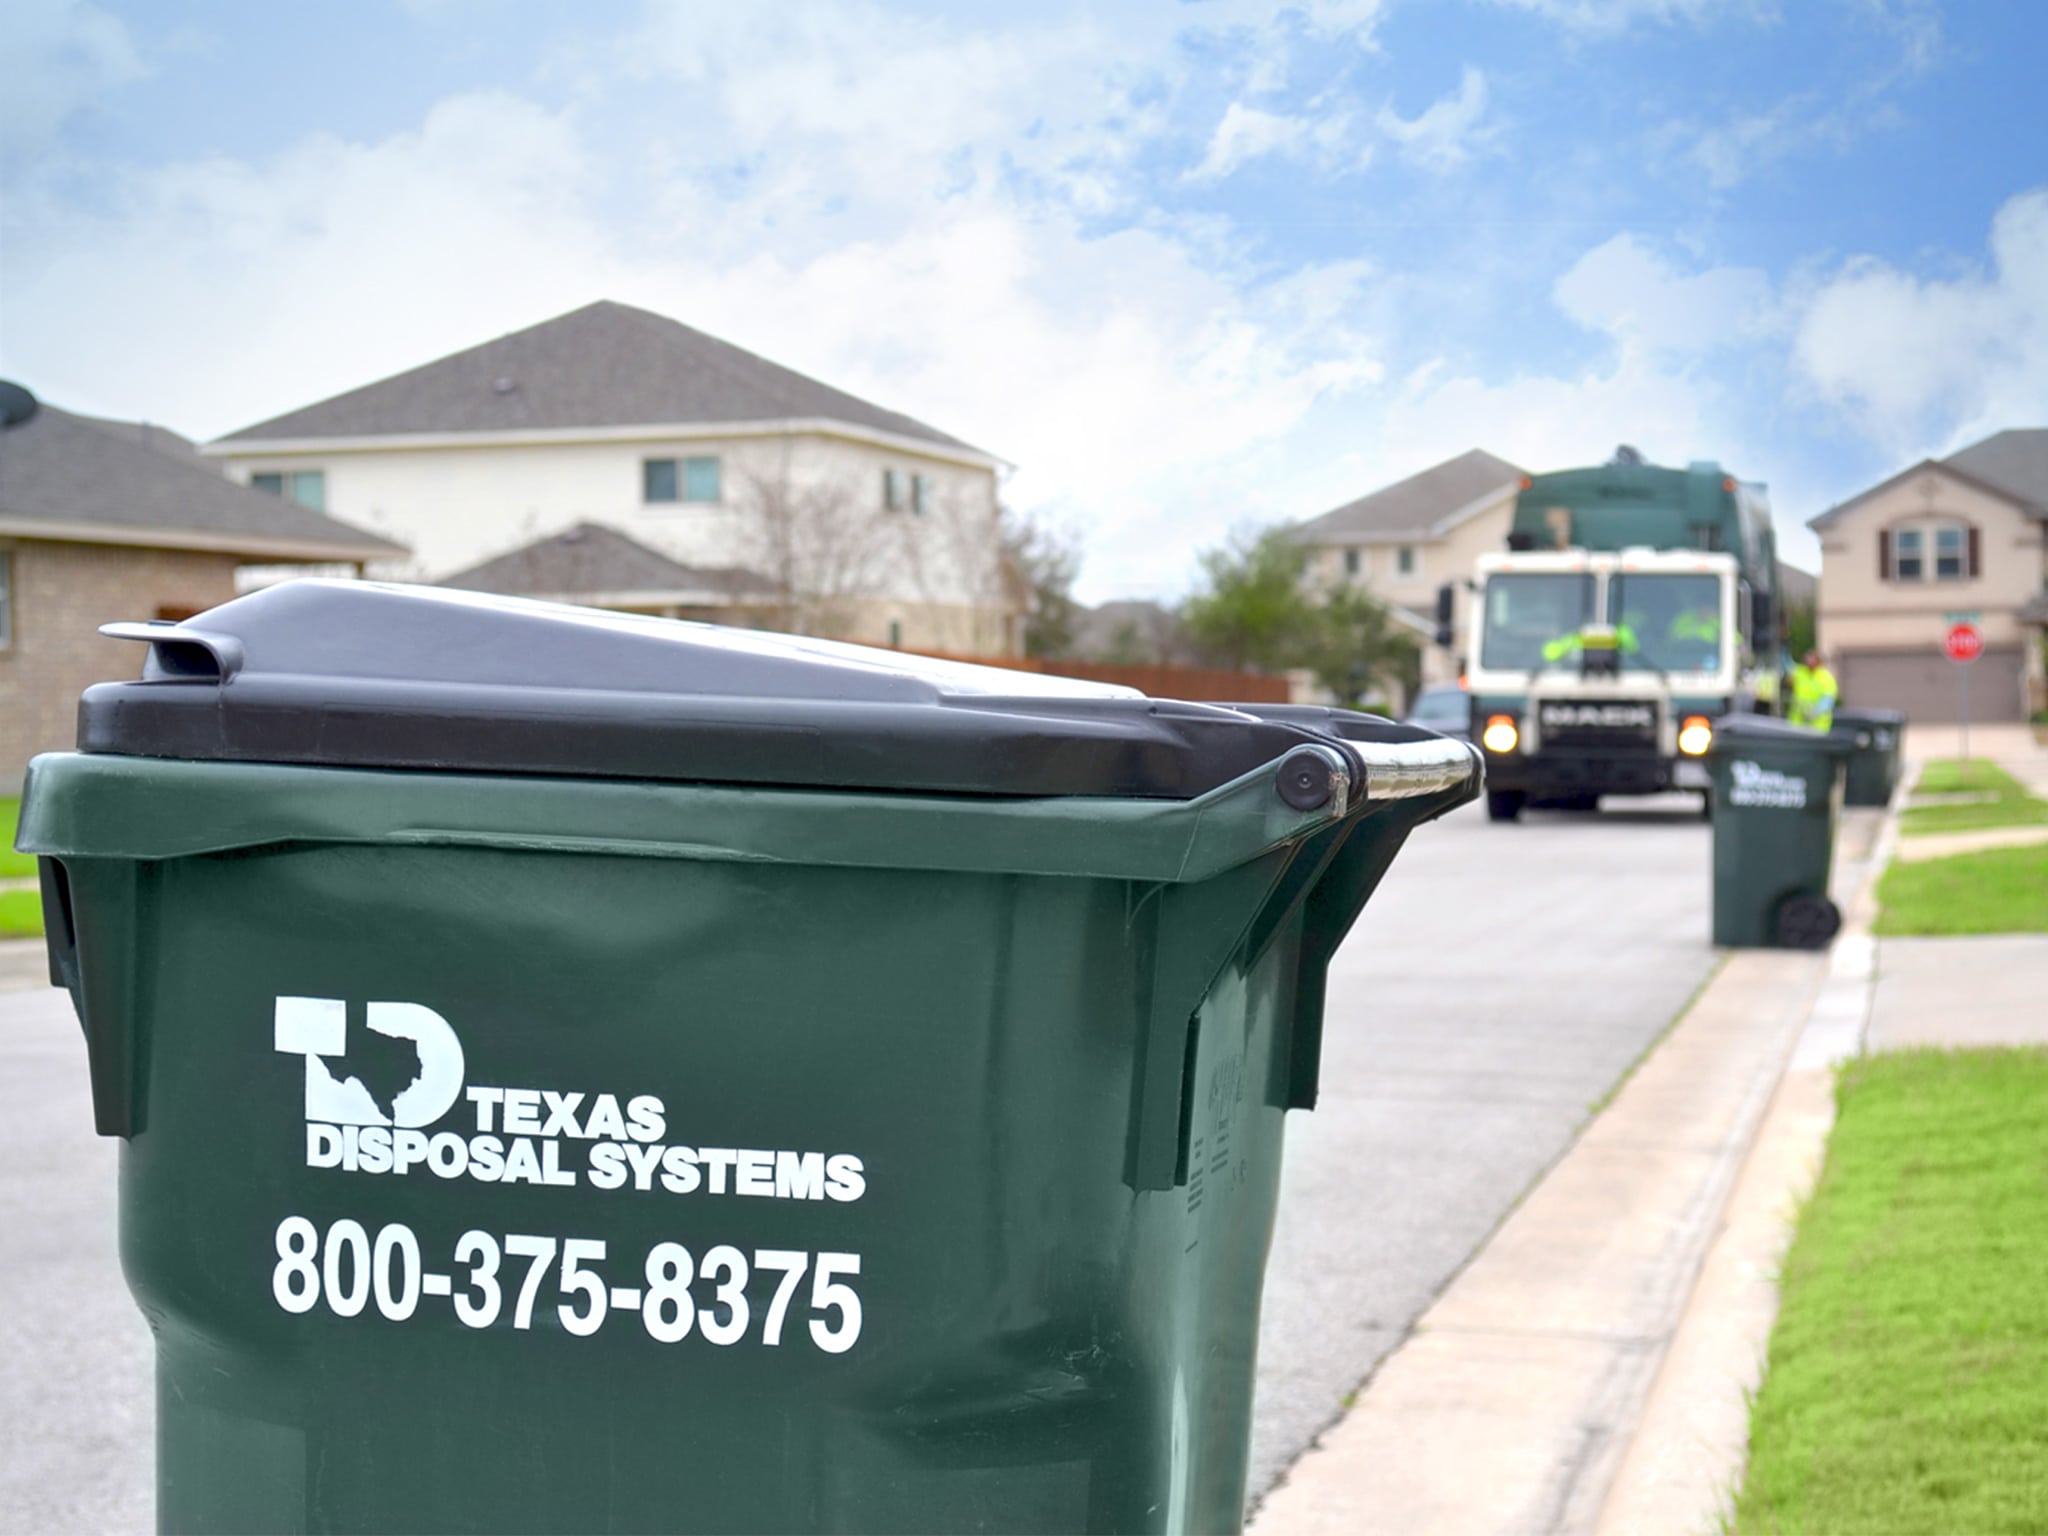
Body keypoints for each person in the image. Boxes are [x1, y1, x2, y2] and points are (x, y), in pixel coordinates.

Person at [1788, 649, 1839, 732]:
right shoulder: (1800, 672)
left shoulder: (1826, 678)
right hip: (1796, 725)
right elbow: (1787, 668)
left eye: (1812, 659)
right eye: (1807, 658)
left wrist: (1815, 712)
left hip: (1818, 726)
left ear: (1819, 661)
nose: (1808, 661)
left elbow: (1828, 700)